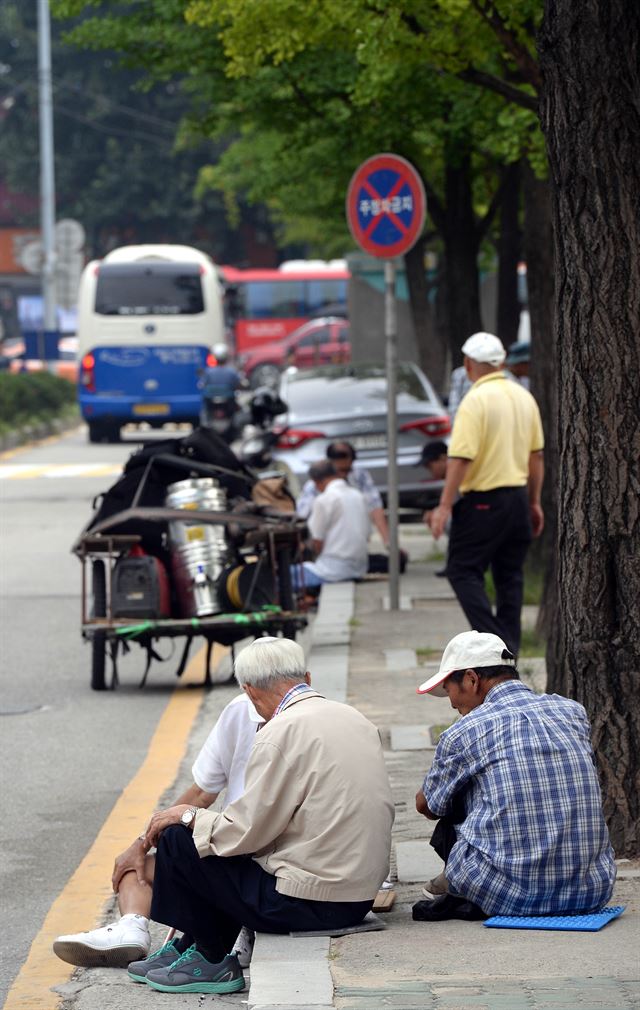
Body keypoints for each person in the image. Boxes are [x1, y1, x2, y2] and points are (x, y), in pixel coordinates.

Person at [123, 637, 394, 994]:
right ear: (306, 679)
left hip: (312, 902)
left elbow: (244, 834)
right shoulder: (352, 717)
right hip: (358, 896)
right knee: (217, 852)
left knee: (180, 840)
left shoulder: (278, 733)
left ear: (250, 693)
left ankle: (209, 955)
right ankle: (192, 943)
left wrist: (188, 816)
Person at [412, 630, 616, 923]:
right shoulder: (572, 712)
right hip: (591, 890)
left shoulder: (464, 732)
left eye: (449, 690)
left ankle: (470, 891)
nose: (451, 703)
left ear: (471, 679)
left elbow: (427, 807)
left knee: (454, 798)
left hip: (509, 895)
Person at [53, 693, 264, 970]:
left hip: (253, 860)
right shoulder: (241, 709)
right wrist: (140, 844)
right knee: (137, 864)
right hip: (228, 847)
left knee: (176, 843)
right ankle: (132, 928)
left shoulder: (286, 723)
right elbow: (201, 792)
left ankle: (220, 940)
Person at [427, 331, 544, 656]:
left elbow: (461, 457)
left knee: (462, 570)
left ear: (468, 364)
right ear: (502, 361)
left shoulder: (475, 401)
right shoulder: (524, 397)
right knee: (510, 577)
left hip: (482, 502)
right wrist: (534, 501)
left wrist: (445, 505)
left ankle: (497, 650)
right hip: (518, 498)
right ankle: (510, 650)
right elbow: (536, 457)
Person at [296, 441, 391, 549]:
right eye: (339, 471)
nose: (343, 475)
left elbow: (375, 507)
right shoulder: (315, 488)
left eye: (346, 470)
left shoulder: (359, 477)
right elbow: (302, 516)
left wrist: (388, 542)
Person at [294, 459, 370, 588]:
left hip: (331, 571)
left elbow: (317, 541)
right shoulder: (358, 495)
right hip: (360, 568)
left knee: (281, 575)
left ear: (316, 482)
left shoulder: (324, 500)